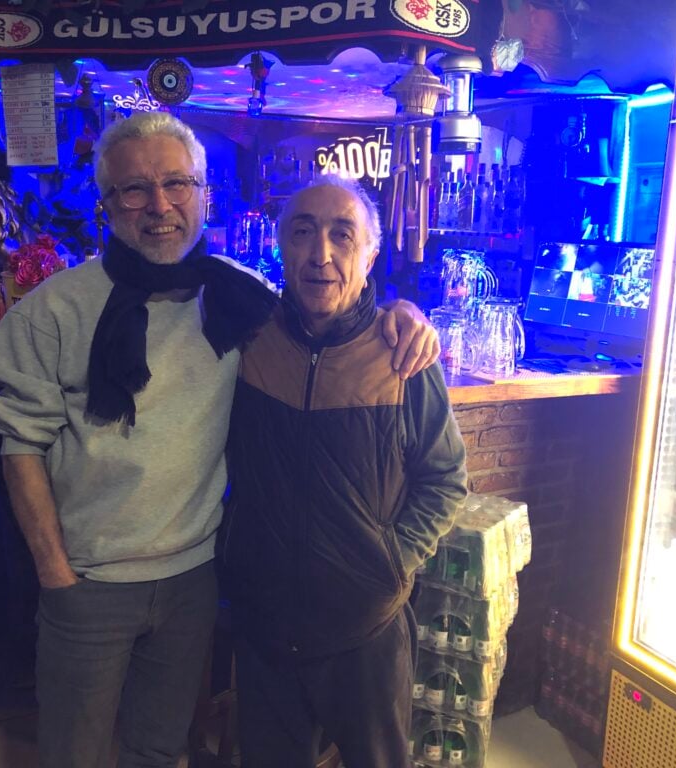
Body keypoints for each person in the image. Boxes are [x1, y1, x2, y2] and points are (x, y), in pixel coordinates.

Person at [0, 111, 438, 768]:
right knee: (71, 755)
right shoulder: (54, 310)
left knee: (160, 749)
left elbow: (325, 305)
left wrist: (401, 311)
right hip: (89, 581)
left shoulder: (237, 299)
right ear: (106, 204)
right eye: (134, 189)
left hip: (194, 577)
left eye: (177, 184)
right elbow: (19, 446)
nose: (159, 205)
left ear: (204, 193)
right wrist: (56, 572)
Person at [220, 176, 468, 768]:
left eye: (341, 235)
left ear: (369, 256)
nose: (320, 254)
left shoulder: (402, 359)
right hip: (264, 620)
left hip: (365, 629)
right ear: (281, 245)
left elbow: (445, 478)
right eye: (302, 232)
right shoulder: (247, 339)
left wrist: (388, 560)